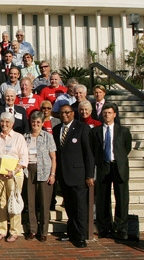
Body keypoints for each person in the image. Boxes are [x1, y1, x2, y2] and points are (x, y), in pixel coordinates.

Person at [53, 105, 94, 248]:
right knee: (69, 207)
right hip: (64, 175)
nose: (64, 115)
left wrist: (90, 175)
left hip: (79, 175)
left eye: (67, 112)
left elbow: (88, 153)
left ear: (73, 113)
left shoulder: (82, 128)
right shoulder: (56, 129)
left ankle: (81, 236)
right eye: (61, 113)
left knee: (80, 207)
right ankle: (71, 233)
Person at [90, 103, 132, 240]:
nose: (106, 115)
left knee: (122, 199)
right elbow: (93, 149)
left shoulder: (123, 131)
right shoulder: (95, 131)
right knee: (103, 199)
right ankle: (105, 228)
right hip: (103, 166)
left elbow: (127, 148)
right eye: (104, 113)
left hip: (119, 167)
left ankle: (121, 228)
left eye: (109, 113)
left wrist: (118, 159)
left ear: (115, 114)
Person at [0, 112, 29, 242]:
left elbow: (24, 159)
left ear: (12, 124)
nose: (4, 124)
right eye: (2, 121)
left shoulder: (19, 138)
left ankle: (14, 231)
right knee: (1, 203)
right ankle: (2, 230)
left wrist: (13, 171)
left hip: (14, 176)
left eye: (7, 122)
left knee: (13, 202)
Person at [23, 111, 57, 242]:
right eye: (33, 122)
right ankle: (32, 229)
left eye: (38, 122)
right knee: (30, 202)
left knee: (44, 203)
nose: (35, 124)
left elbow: (53, 157)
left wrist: (53, 174)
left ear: (42, 123)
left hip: (44, 171)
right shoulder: (25, 136)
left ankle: (43, 231)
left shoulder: (48, 137)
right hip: (29, 170)